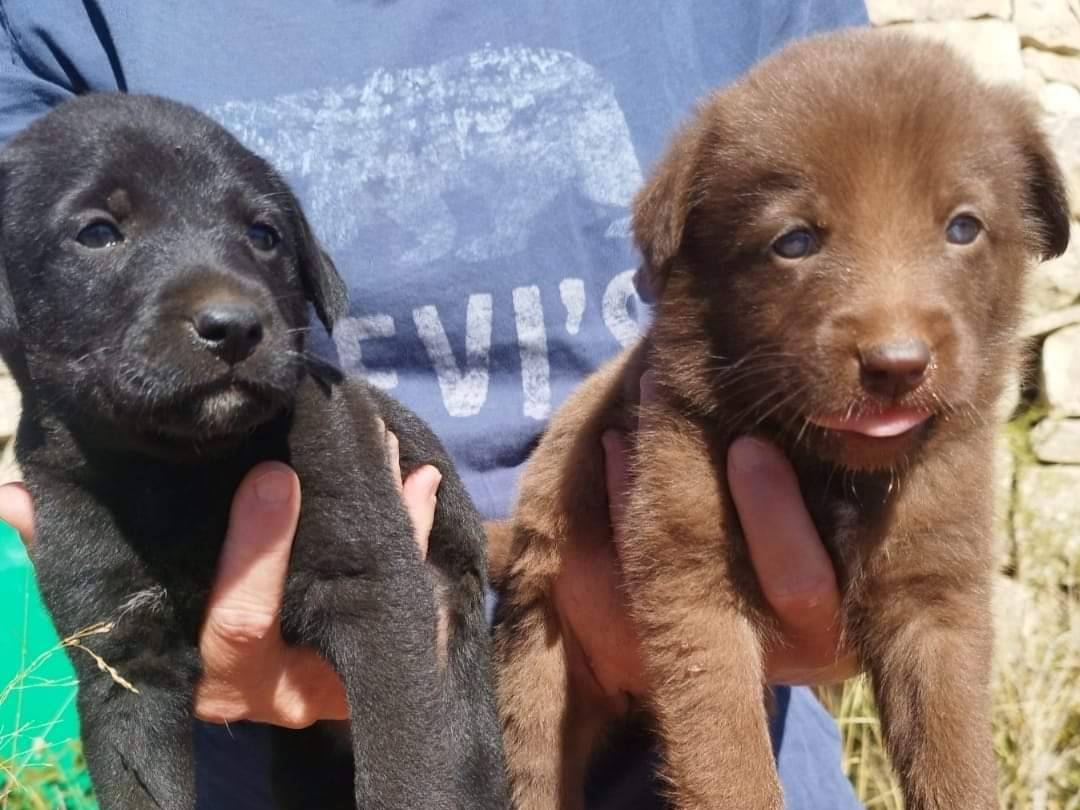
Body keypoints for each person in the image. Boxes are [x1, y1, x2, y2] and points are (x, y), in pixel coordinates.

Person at [0, 2, 869, 807]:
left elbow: (878, 294)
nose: (224, 304)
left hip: (725, 733)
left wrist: (845, 582)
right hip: (259, 755)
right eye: (101, 232)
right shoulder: (54, 20)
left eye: (263, 236)